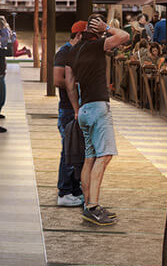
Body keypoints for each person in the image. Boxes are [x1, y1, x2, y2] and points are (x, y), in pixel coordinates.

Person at [67, 14, 130, 227]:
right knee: (104, 156)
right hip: (98, 108)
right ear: (98, 29)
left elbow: (70, 84)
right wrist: (108, 28)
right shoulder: (97, 45)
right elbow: (124, 36)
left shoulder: (74, 51)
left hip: (84, 109)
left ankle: (88, 205)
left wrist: (77, 110)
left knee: (90, 158)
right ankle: (93, 207)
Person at [53, 20, 88, 207]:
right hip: (68, 109)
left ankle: (74, 189)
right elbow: (57, 80)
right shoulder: (64, 52)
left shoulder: (78, 52)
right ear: (79, 35)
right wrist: (79, 83)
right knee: (69, 149)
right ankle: (64, 191)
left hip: (78, 108)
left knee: (77, 151)